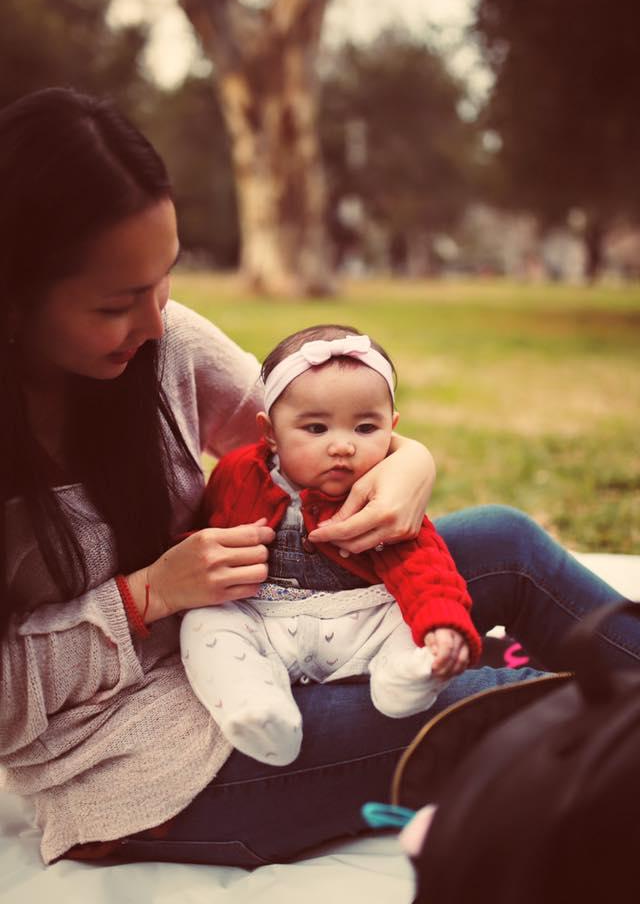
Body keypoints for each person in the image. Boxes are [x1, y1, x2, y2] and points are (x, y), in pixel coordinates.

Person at [1, 87, 639, 870]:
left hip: (280, 623)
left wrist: (409, 461)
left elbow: (295, 424)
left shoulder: (162, 342)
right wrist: (148, 597)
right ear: (14, 298)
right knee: (521, 707)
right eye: (117, 304)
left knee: (505, 541)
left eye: (165, 279)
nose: (158, 322)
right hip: (148, 756)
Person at [180, 326, 482, 765]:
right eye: (316, 428)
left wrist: (442, 622)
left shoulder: (383, 490)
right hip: (265, 619)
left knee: (403, 617)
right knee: (206, 624)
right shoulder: (237, 474)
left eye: (365, 427)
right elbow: (204, 536)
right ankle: (257, 708)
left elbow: (423, 564)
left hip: (359, 618)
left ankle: (406, 678)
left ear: (392, 427)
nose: (342, 446)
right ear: (270, 433)